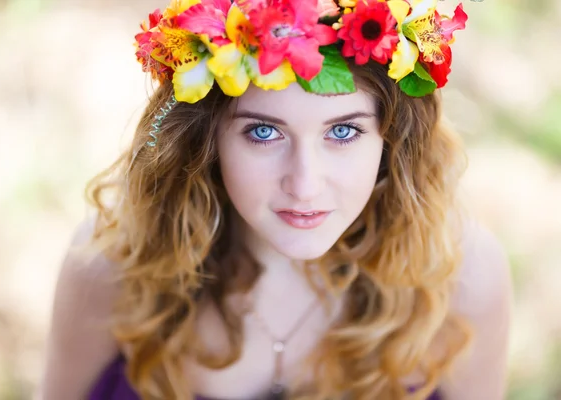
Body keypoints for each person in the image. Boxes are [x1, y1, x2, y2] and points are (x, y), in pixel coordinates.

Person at [39, 0, 512, 398]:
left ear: (390, 141)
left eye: (343, 131)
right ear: (204, 139)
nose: (304, 184)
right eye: (264, 132)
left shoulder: (461, 276)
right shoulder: (112, 268)